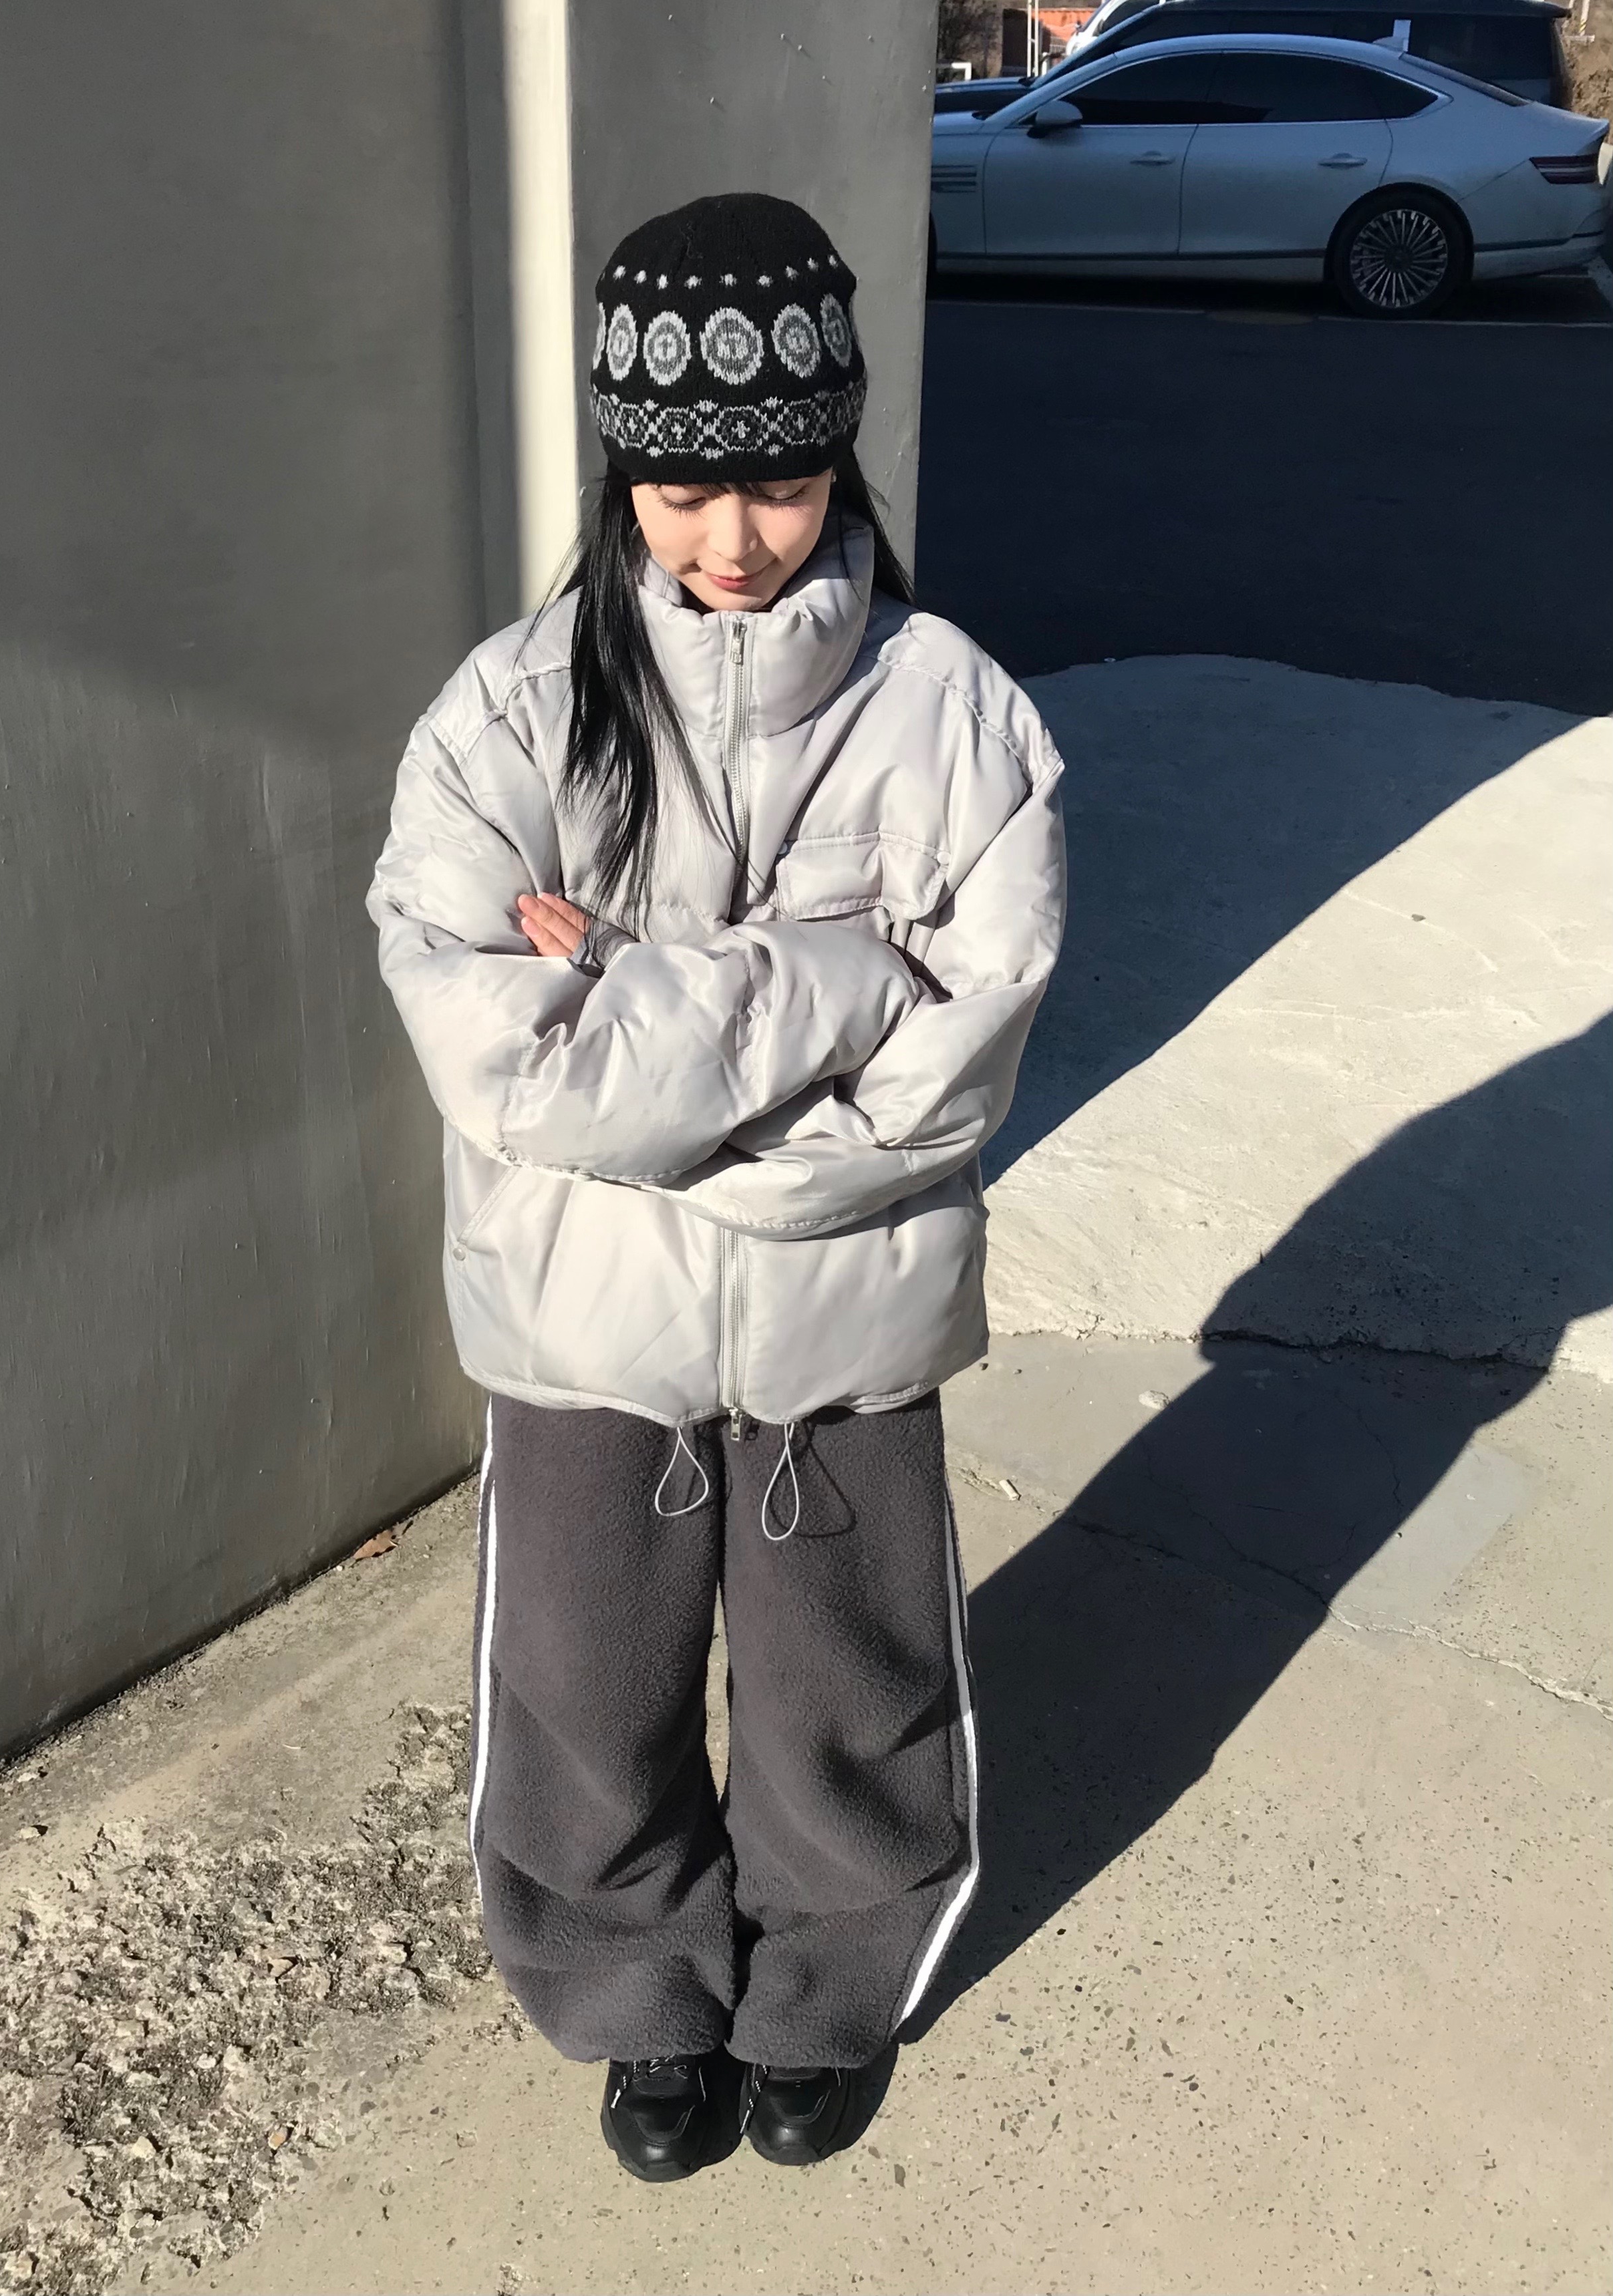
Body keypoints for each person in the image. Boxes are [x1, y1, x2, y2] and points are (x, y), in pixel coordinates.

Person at [368, 192, 1066, 2180]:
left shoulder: (956, 715)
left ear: (841, 455)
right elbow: (501, 1050)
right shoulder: (510, 712)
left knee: (850, 1682)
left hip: (846, 1314)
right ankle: (632, 1995)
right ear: (624, 471)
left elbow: (959, 1060)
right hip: (584, 1324)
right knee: (581, 1683)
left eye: (776, 479)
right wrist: (844, 976)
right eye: (680, 487)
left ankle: (828, 1992)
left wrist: (640, 1002)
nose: (732, 537)